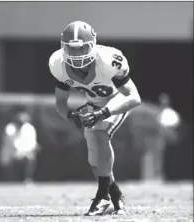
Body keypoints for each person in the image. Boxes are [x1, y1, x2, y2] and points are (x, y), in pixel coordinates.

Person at [48, 21, 141, 216]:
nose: (76, 54)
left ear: (92, 44)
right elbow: (60, 104)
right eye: (71, 49)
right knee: (94, 159)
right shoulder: (58, 65)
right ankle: (115, 197)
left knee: (99, 135)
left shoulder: (108, 60)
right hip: (94, 105)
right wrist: (70, 115)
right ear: (63, 48)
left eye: (81, 47)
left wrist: (104, 112)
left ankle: (102, 196)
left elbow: (133, 97)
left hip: (115, 102)